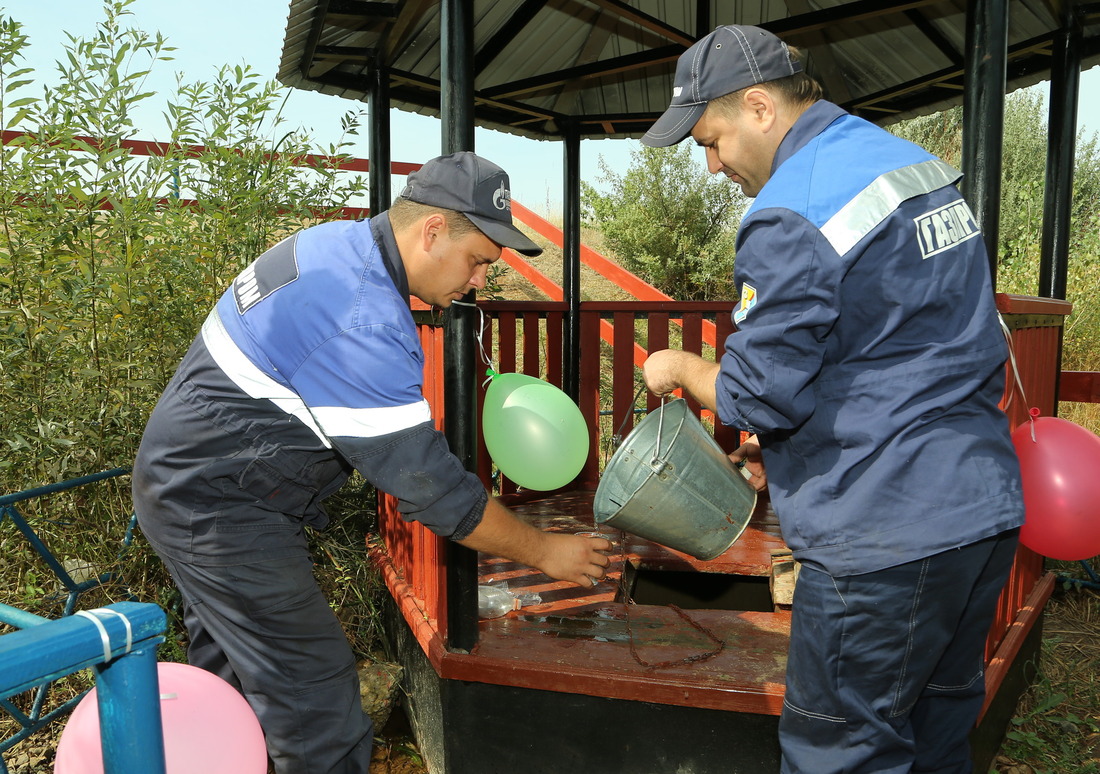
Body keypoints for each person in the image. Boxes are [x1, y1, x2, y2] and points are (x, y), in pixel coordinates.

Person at [131, 152, 612, 774]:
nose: (478, 284)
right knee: (318, 706)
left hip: (197, 484)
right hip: (221, 506)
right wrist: (547, 552)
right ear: (433, 231)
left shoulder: (339, 245)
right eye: (478, 262)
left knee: (236, 689)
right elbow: (433, 490)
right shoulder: (361, 316)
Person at [639, 25, 1025, 774]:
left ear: (757, 107)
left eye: (711, 141)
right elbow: (899, 341)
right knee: (938, 736)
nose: (714, 166)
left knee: (839, 753)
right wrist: (784, 448)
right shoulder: (910, 164)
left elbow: (756, 390)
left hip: (883, 533)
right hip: (980, 512)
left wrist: (681, 366)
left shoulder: (792, 208)